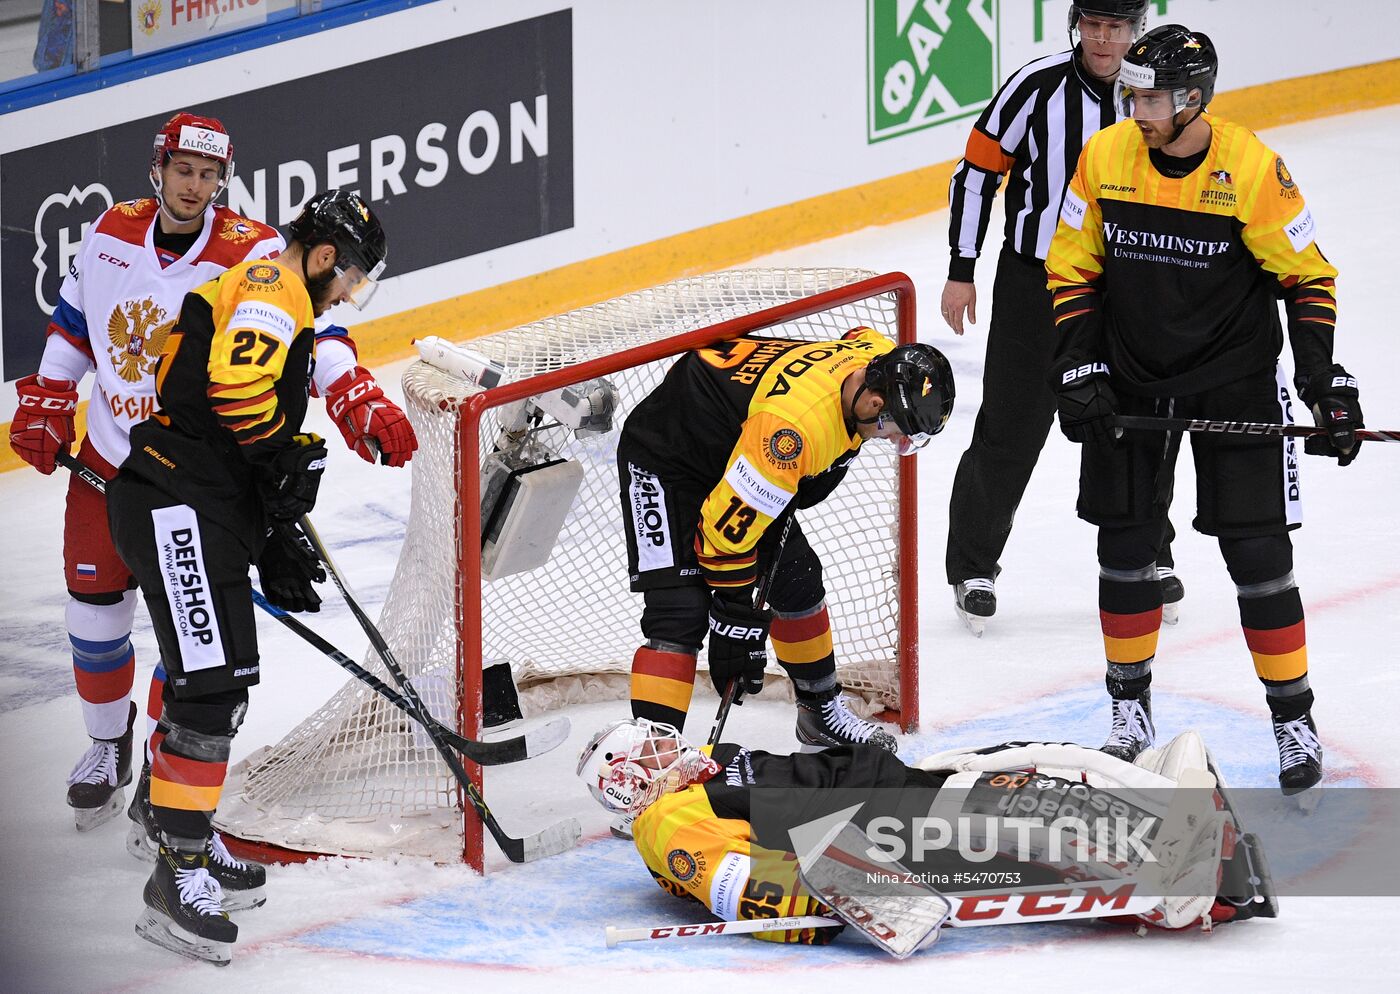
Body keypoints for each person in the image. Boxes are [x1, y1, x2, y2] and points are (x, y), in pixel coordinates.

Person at [7, 112, 417, 846]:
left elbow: (314, 328)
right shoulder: (108, 232)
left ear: (223, 181)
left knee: (186, 638)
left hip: (192, 474)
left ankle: (169, 777)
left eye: (208, 175)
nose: (194, 187)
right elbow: (74, 324)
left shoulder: (253, 250)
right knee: (94, 620)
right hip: (110, 458)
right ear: (157, 169)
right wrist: (47, 392)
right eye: (182, 171)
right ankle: (108, 744)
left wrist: (349, 388)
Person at [1045, 25, 1357, 795]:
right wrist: (1080, 365)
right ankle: (1129, 710)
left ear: (1193, 99)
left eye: (1150, 97)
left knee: (1259, 558)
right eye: (1132, 95)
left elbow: (1307, 277)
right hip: (1131, 378)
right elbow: (1072, 267)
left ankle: (1292, 717)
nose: (1136, 110)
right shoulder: (1107, 157)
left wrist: (1322, 384)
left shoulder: (1252, 169)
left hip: (1233, 379)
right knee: (1124, 549)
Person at [104, 189, 393, 965]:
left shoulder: (271, 291)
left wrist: (270, 526)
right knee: (210, 689)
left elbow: (228, 412)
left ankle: (177, 829)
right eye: (352, 278)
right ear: (327, 256)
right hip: (174, 504)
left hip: (194, 504)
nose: (347, 295)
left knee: (216, 684)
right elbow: (235, 390)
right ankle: (178, 870)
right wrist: (283, 460)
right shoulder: (275, 289)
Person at [578, 718, 1275, 948]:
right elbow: (747, 889)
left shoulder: (694, 787)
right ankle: (1184, 892)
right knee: (1037, 805)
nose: (669, 751)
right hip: (889, 828)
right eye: (651, 756)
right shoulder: (668, 821)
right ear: (627, 785)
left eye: (660, 743)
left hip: (895, 791)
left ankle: (1166, 805)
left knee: (1038, 766)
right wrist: (857, 895)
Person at [941, 1, 1185, 636]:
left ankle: (1151, 552)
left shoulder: (1155, 93)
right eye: (1094, 26)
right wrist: (961, 266)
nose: (1104, 40)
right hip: (1035, 283)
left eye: (1118, 27)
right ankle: (973, 566)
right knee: (1011, 426)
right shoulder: (1036, 85)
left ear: (1137, 29)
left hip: (1125, 284)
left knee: (1134, 419)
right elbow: (976, 173)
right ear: (1078, 26)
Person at [617, 330, 953, 759]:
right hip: (668, 457)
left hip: (738, 444)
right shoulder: (794, 434)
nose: (893, 441)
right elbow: (722, 539)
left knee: (797, 581)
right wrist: (735, 622)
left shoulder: (874, 357)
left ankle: (820, 715)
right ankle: (648, 765)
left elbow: (857, 336)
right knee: (679, 612)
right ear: (873, 402)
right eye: (895, 430)